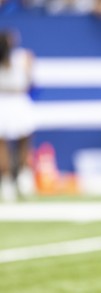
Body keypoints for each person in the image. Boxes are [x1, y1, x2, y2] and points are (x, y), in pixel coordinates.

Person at [0, 29, 36, 202]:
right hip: (15, 101)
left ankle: (10, 182)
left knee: (4, 145)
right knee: (22, 143)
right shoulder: (23, 57)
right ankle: (20, 179)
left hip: (8, 101)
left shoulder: (22, 57)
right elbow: (30, 81)